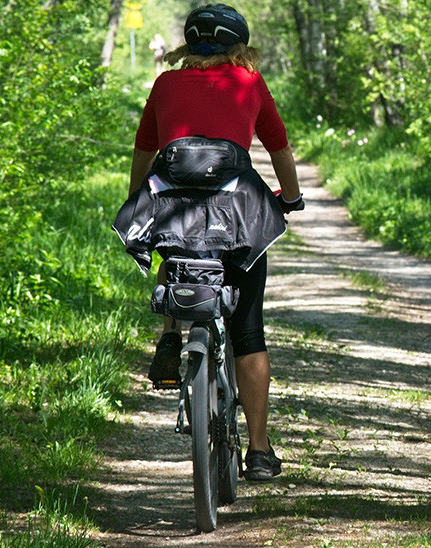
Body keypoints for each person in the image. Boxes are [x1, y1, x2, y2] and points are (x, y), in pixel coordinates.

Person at [127, 4, 305, 481]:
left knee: (173, 244)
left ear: (188, 44)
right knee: (249, 331)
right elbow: (279, 147)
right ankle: (260, 451)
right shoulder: (249, 81)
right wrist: (291, 199)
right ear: (238, 46)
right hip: (237, 211)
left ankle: (170, 333)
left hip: (174, 204)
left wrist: (136, 201)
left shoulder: (165, 83)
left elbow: (146, 151)